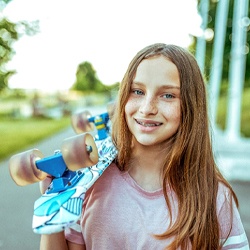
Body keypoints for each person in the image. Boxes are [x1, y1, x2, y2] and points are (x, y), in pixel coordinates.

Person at [40, 43, 249, 249]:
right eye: (137, 91)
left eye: (168, 95)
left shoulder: (213, 197)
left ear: (191, 106)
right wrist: (52, 208)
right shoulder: (90, 183)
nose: (147, 108)